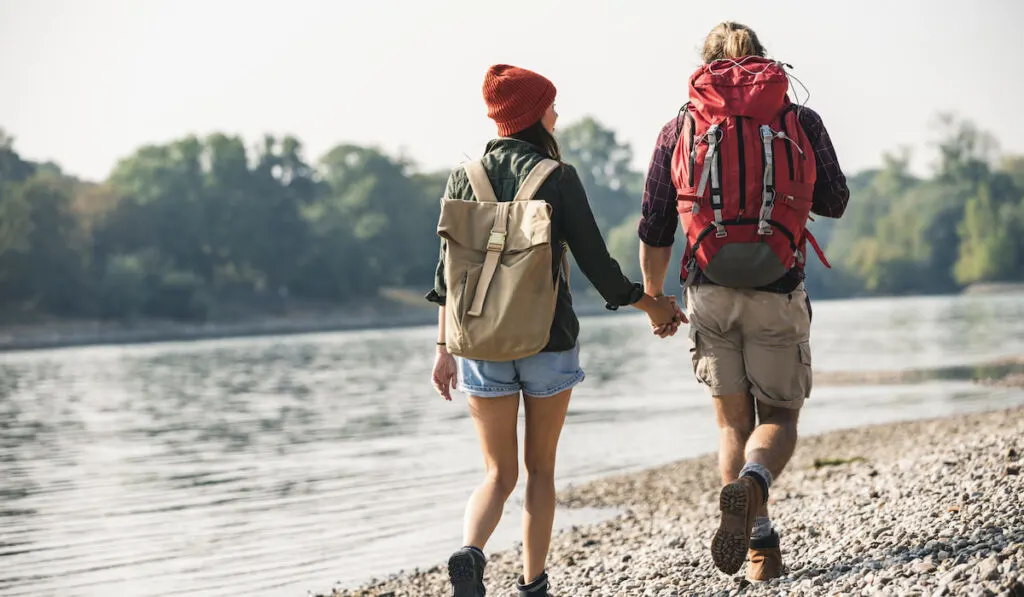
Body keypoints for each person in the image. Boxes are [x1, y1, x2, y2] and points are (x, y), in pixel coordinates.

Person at [428, 64, 680, 597]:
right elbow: (598, 266)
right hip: (548, 340)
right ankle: (532, 584)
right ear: (533, 115)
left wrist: (442, 348)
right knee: (539, 470)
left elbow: (445, 275)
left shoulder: (463, 176)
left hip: (478, 343)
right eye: (551, 105)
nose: (557, 114)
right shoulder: (556, 177)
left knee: (498, 475)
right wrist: (651, 305)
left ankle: (470, 553)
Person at [638, 22, 851, 582]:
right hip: (778, 285)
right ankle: (755, 485)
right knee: (779, 415)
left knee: (732, 425)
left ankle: (759, 542)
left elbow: (655, 223)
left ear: (704, 66)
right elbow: (836, 199)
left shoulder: (679, 126)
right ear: (763, 61)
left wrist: (656, 298)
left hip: (706, 287)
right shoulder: (798, 120)